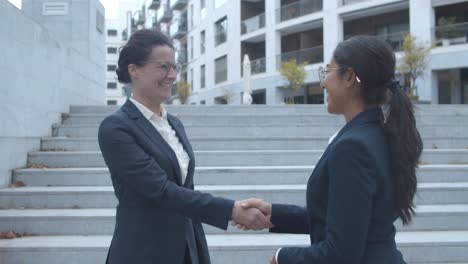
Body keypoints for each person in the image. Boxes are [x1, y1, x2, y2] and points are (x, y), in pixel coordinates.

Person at [234, 35, 423, 264]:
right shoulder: (377, 134)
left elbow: (340, 254)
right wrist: (274, 213)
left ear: (350, 78)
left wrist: (282, 257)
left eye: (328, 71)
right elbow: (346, 219)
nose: (322, 83)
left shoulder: (353, 147)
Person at [98, 29, 271, 264]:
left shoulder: (174, 124)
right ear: (134, 70)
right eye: (163, 67)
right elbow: (161, 190)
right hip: (143, 252)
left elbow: (186, 189)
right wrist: (231, 210)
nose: (172, 75)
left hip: (187, 249)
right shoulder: (116, 128)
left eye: (174, 67)